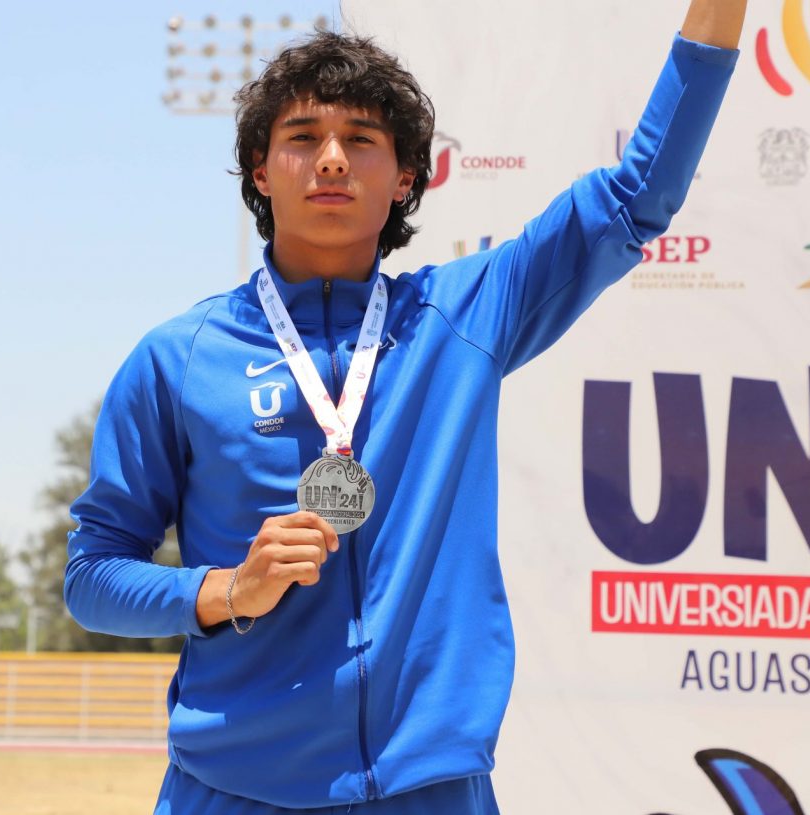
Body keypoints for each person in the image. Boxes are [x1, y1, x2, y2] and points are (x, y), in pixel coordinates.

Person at [65, 2, 747, 812]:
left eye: (361, 139)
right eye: (302, 136)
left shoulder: (462, 317)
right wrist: (226, 589)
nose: (330, 159)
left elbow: (638, 195)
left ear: (406, 179)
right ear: (260, 169)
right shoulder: (177, 358)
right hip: (231, 787)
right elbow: (92, 576)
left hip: (431, 787)